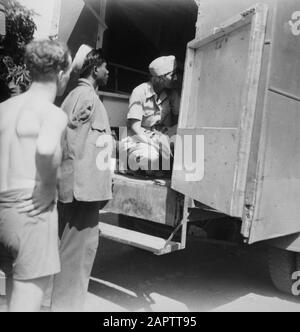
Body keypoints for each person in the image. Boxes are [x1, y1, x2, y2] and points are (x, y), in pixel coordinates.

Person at [0, 40, 72, 312]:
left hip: (3, 209)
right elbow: (45, 148)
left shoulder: (4, 108)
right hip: (30, 212)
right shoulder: (52, 113)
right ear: (62, 74)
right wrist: (47, 185)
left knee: (10, 299)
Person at [50, 48, 113, 312]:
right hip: (81, 191)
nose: (108, 72)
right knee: (77, 257)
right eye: (105, 66)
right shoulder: (87, 97)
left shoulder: (74, 95)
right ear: (94, 68)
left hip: (75, 189)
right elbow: (72, 142)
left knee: (67, 253)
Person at [120, 55, 180, 176]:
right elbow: (135, 127)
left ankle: (160, 166)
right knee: (150, 158)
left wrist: (168, 137)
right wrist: (158, 141)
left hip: (161, 137)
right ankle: (132, 162)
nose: (176, 78)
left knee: (189, 145)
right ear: (160, 78)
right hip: (138, 138)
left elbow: (181, 121)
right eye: (172, 75)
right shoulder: (140, 91)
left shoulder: (172, 94)